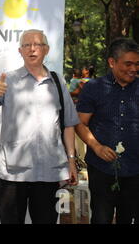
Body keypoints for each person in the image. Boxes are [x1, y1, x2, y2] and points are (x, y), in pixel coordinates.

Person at [0, 29, 79, 224]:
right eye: (26, 45)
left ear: (46, 50)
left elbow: (68, 125)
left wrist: (72, 161)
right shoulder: (7, 80)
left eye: (37, 45)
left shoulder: (58, 82)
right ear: (20, 50)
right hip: (13, 172)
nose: (32, 49)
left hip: (49, 171)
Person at [75, 38, 139, 224]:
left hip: (135, 170)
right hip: (101, 169)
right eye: (128, 64)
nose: (133, 69)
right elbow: (80, 123)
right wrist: (97, 147)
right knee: (101, 219)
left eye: (137, 64)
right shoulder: (93, 88)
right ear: (112, 62)